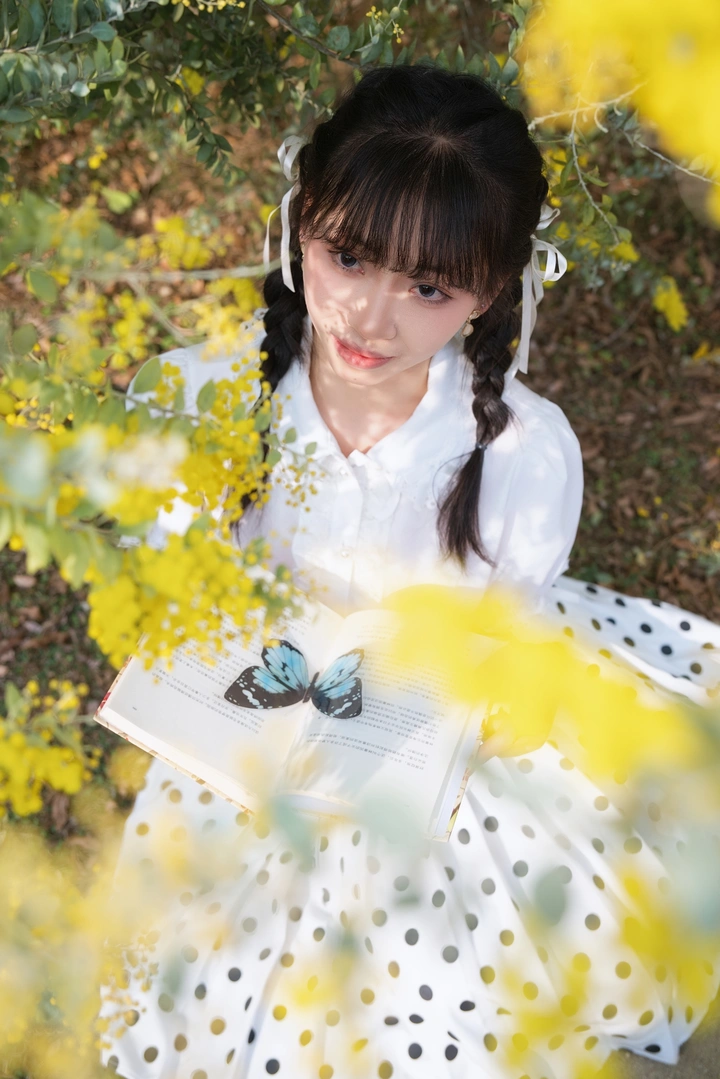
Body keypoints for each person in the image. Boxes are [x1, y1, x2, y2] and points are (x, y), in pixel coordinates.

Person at [98, 65, 720, 1079]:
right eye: (347, 256)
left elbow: (499, 645)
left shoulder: (520, 452)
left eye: (429, 288)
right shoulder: (199, 397)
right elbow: (170, 591)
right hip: (253, 719)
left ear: (490, 292)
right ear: (302, 222)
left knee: (451, 967)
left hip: (433, 721)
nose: (371, 317)